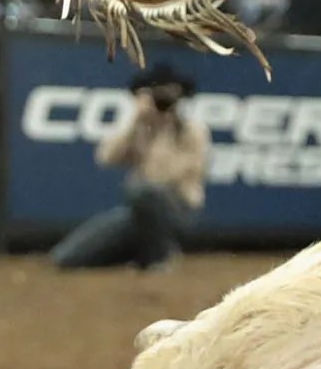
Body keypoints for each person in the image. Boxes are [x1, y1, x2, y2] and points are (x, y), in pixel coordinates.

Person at [50, 67, 210, 270]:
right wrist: (136, 120)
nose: (163, 102)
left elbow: (178, 173)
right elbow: (105, 156)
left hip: (178, 212)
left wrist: (163, 130)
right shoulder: (139, 127)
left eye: (168, 96)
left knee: (143, 191)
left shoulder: (192, 131)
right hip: (136, 215)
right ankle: (142, 255)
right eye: (157, 95)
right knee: (66, 257)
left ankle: (162, 257)